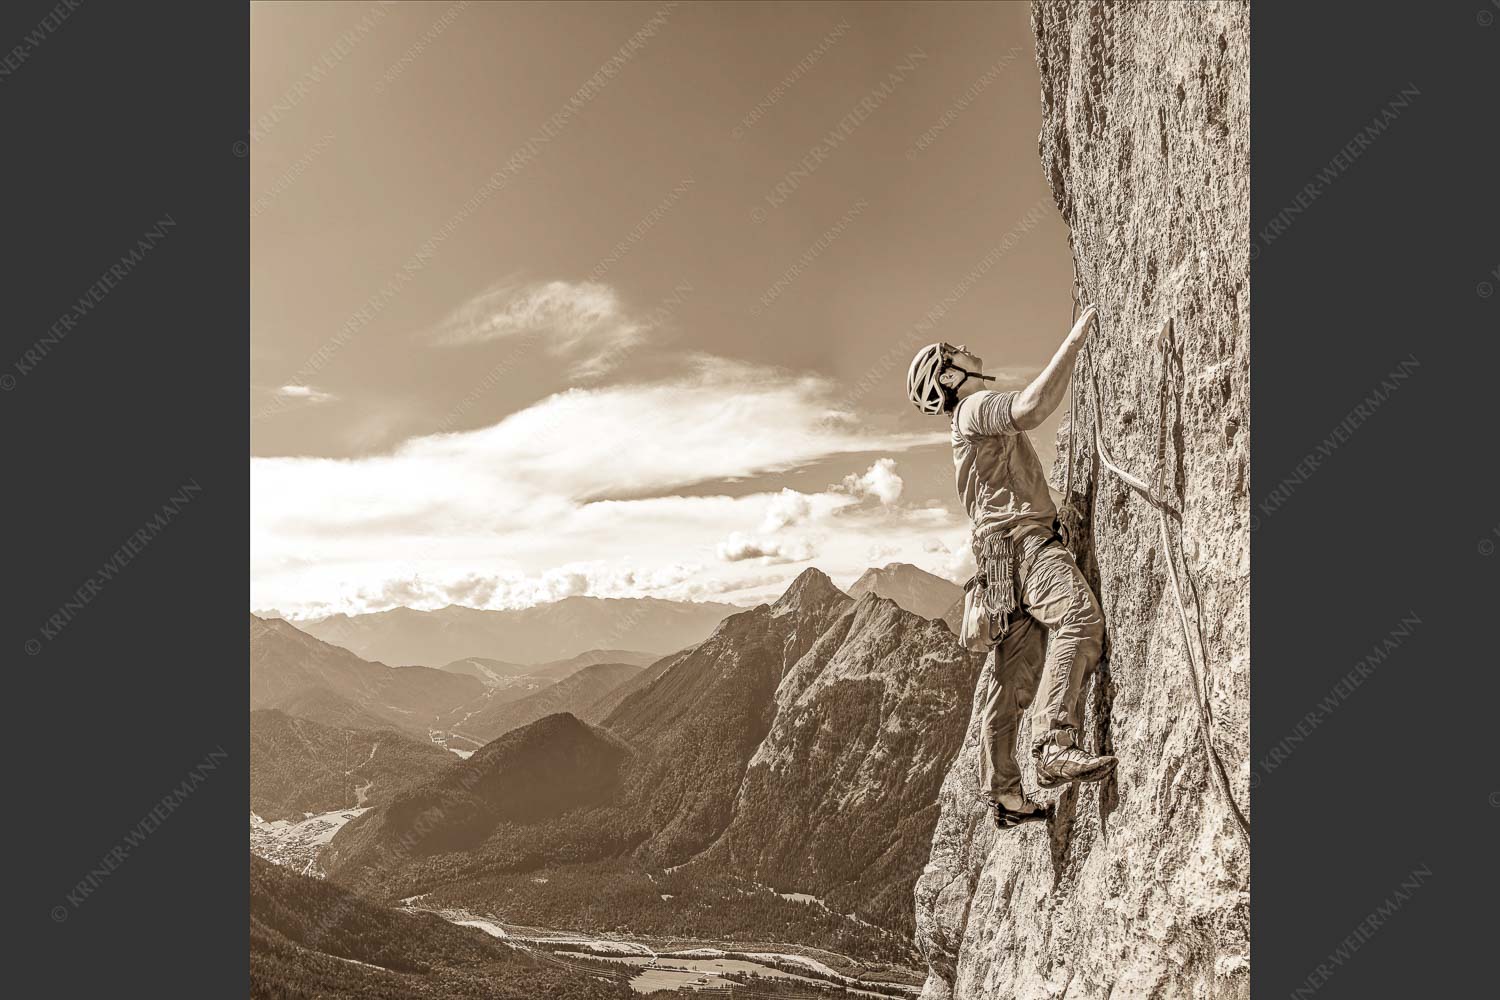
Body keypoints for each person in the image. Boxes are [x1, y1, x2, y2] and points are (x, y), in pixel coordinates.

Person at [906, 305, 1116, 830]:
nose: (963, 350)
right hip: (1026, 545)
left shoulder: (961, 426)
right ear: (950, 376)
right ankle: (1054, 741)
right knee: (1078, 621)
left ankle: (1004, 794)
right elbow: (1031, 407)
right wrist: (1077, 338)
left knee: (1009, 680)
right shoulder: (974, 407)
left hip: (1000, 567)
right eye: (952, 353)